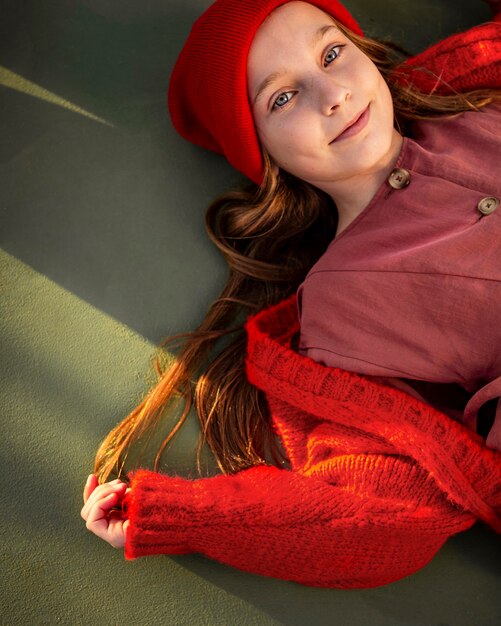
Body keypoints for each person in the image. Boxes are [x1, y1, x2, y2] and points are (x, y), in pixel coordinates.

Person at [81, 0, 501, 588]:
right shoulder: (340, 307)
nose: (331, 94)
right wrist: (180, 518)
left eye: (332, 54)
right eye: (282, 98)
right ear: (261, 151)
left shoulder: (476, 101)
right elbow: (375, 514)